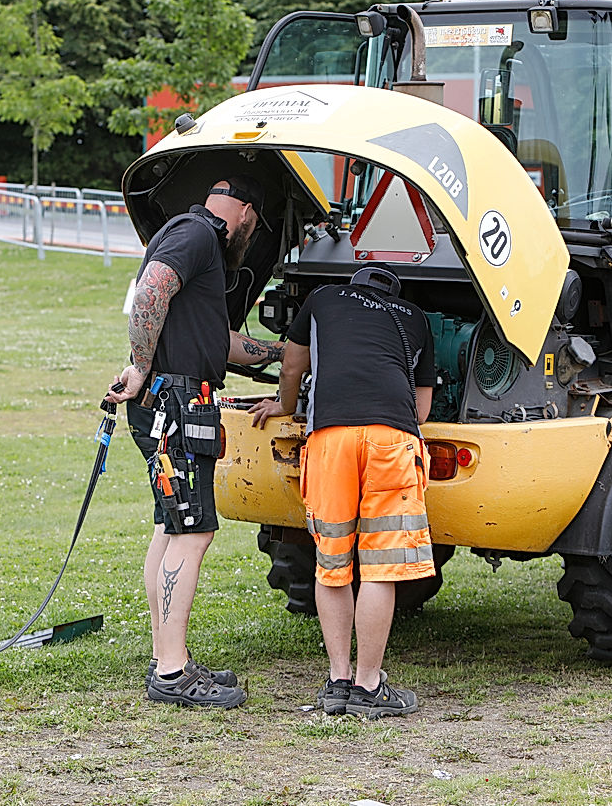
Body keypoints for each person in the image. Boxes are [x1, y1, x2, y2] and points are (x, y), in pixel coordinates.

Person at [105, 176, 284, 708]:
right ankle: (171, 671)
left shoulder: (188, 236)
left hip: (169, 402)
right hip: (176, 404)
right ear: (247, 212)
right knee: (193, 531)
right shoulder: (200, 234)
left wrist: (282, 354)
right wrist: (139, 367)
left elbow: (220, 341)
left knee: (172, 525)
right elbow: (152, 288)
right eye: (255, 226)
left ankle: (169, 656)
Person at [249, 264, 436, 718]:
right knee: (379, 568)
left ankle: (337, 683)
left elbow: (293, 363)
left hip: (330, 439)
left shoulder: (323, 298)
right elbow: (423, 408)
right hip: (391, 440)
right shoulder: (415, 317)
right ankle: (369, 687)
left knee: (331, 562)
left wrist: (286, 405)